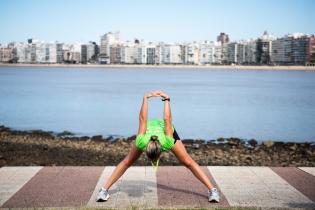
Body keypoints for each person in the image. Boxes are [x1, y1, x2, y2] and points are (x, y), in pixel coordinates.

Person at [96, 90, 220, 202]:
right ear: (146, 149)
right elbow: (143, 119)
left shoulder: (167, 141)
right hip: (149, 129)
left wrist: (160, 99)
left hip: (165, 130)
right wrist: (150, 99)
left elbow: (167, 120)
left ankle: (213, 190)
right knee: (127, 161)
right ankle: (103, 191)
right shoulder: (141, 141)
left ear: (161, 151)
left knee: (187, 161)